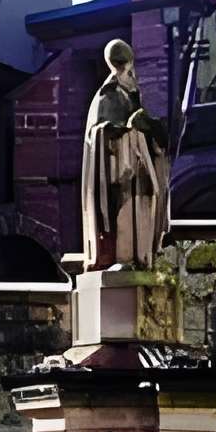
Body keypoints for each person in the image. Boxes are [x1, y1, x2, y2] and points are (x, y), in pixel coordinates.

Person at [80, 38, 171, 269]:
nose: (129, 71)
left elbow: (148, 131)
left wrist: (148, 127)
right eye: (124, 64)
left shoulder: (132, 93)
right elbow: (98, 135)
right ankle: (123, 257)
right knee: (122, 214)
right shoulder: (106, 95)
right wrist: (124, 131)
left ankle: (140, 255)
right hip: (117, 172)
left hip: (137, 170)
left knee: (147, 199)